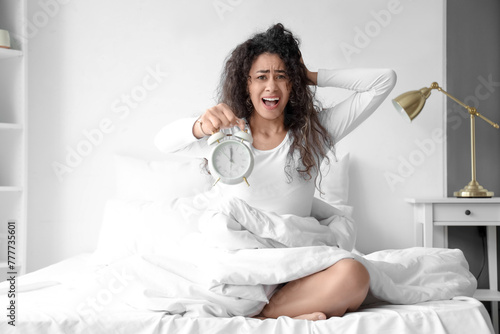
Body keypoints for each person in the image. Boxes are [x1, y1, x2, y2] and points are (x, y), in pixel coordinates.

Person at [155, 23, 396, 321]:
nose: (271, 87)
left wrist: (309, 75)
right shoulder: (226, 135)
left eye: (281, 77)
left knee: (354, 274)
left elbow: (383, 81)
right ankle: (275, 313)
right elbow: (163, 142)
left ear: (293, 84)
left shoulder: (314, 133)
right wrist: (200, 126)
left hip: (299, 259)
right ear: (247, 85)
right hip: (243, 264)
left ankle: (267, 317)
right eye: (261, 77)